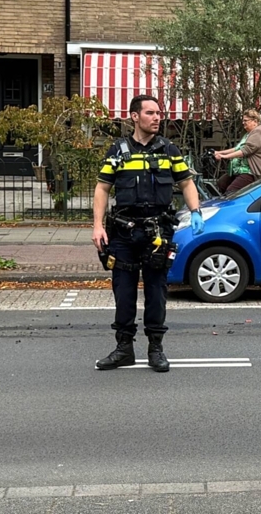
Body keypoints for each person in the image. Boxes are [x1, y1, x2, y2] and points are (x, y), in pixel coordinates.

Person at [92, 95, 205, 373]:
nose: (157, 118)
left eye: (159, 113)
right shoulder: (117, 151)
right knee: (124, 291)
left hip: (158, 232)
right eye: (150, 113)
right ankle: (124, 349)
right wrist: (97, 226)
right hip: (123, 232)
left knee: (156, 291)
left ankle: (156, 349)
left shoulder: (169, 150)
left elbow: (187, 183)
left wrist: (196, 211)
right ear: (134, 116)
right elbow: (102, 188)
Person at [213, 109, 261, 193]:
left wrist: (224, 157)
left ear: (255, 121)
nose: (243, 123)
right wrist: (219, 152)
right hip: (241, 169)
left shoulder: (259, 131)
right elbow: (237, 148)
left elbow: (246, 150)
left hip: (254, 171)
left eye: (245, 120)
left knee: (232, 191)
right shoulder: (249, 133)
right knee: (221, 183)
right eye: (243, 120)